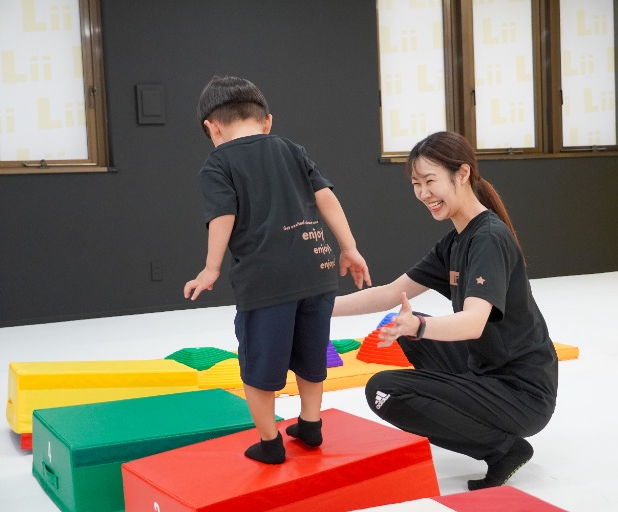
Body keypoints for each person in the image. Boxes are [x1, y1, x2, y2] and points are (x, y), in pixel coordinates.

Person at [333, 131, 557, 490]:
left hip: (522, 393)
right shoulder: (455, 241)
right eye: (416, 184)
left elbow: (473, 322)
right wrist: (318, 308)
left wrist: (418, 327)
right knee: (410, 332)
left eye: (430, 181)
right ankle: (473, 416)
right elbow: (391, 293)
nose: (423, 193)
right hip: (487, 369)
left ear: (462, 174)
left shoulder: (488, 238)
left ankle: (504, 448)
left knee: (384, 390)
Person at [184, 76, 371, 465]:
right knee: (311, 354)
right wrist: (349, 248)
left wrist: (211, 267)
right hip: (317, 270)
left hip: (265, 282)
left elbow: (223, 215)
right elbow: (326, 198)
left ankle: (270, 444)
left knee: (259, 366)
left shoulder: (218, 162)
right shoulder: (291, 149)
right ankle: (311, 424)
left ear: (212, 128)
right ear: (267, 121)